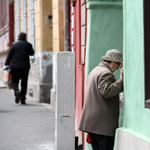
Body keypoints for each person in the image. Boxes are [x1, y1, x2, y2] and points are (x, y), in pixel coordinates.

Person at [79, 49, 123, 150]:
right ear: (112, 62)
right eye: (118, 64)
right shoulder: (105, 73)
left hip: (93, 122)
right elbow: (106, 91)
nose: (117, 68)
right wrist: (121, 81)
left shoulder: (96, 70)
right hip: (103, 125)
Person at [4, 32, 34, 104]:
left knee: (14, 82)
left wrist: (6, 64)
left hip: (15, 66)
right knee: (24, 83)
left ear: (18, 36)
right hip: (25, 67)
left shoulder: (14, 44)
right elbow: (32, 53)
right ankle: (23, 99)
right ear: (25, 37)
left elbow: (9, 55)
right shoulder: (28, 45)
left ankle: (17, 91)